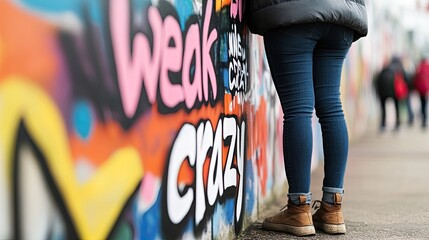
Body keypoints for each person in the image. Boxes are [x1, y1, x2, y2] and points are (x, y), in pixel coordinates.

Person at [247, 0, 368, 237]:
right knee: (332, 106)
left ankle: (298, 209)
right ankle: (333, 207)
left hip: (293, 11)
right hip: (341, 15)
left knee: (298, 109)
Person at [374, 57, 410, 132]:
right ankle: (397, 124)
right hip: (395, 92)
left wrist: (378, 92)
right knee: (396, 108)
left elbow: (377, 81)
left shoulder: (384, 69)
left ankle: (383, 125)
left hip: (383, 92)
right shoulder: (399, 69)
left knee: (383, 109)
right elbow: (406, 80)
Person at [413, 57, 429, 129]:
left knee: (422, 104)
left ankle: (423, 120)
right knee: (426, 104)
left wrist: (415, 89)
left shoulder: (418, 68)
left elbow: (415, 79)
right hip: (426, 89)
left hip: (420, 90)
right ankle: (425, 120)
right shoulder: (427, 67)